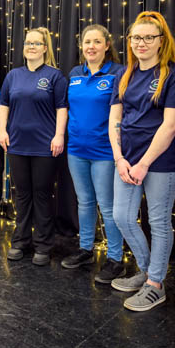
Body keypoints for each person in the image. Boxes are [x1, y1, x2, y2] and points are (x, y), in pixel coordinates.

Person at [108, 11, 175, 311]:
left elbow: (171, 125)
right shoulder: (124, 73)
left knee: (158, 223)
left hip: (160, 162)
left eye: (148, 37)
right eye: (136, 38)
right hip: (126, 159)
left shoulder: (174, 74)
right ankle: (145, 270)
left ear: (161, 41)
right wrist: (119, 158)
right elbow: (115, 117)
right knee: (123, 217)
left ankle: (156, 284)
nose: (141, 43)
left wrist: (143, 164)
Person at [61, 25, 126, 283]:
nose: (91, 46)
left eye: (97, 42)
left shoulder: (118, 73)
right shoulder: (75, 74)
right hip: (76, 149)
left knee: (108, 207)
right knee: (84, 202)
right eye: (87, 42)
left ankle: (115, 259)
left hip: (105, 152)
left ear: (107, 45)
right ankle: (86, 249)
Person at [0, 27, 68, 266]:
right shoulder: (13, 76)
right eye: (28, 43)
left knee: (42, 195)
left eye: (36, 43)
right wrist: (2, 131)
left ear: (45, 48)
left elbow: (62, 108)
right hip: (17, 145)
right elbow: (4, 106)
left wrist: (59, 135)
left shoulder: (55, 76)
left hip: (44, 146)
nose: (31, 47)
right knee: (22, 194)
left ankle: (43, 245)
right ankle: (20, 241)